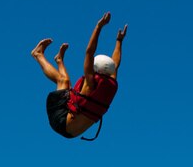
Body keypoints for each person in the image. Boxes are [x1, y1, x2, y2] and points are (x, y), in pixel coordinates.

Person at [31, 12, 128, 140]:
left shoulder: (90, 83)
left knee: (63, 80)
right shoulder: (111, 81)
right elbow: (115, 63)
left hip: (60, 121)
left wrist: (98, 27)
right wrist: (119, 41)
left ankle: (38, 54)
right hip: (71, 129)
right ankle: (59, 60)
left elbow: (89, 52)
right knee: (68, 87)